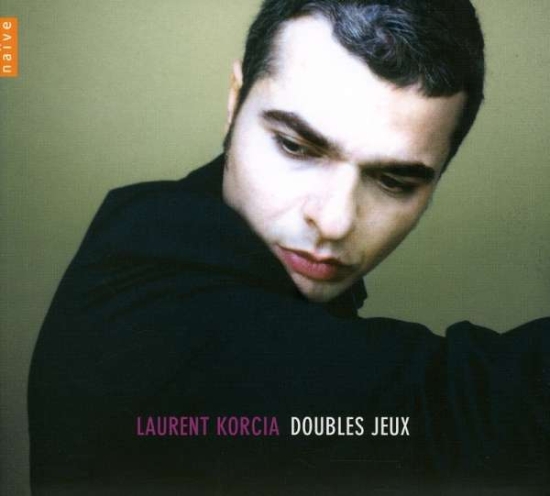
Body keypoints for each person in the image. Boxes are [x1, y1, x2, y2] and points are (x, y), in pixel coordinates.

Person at [28, 0, 549, 494]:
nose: (334, 221)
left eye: (394, 181)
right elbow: (477, 417)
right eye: (296, 147)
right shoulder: (152, 315)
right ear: (234, 102)